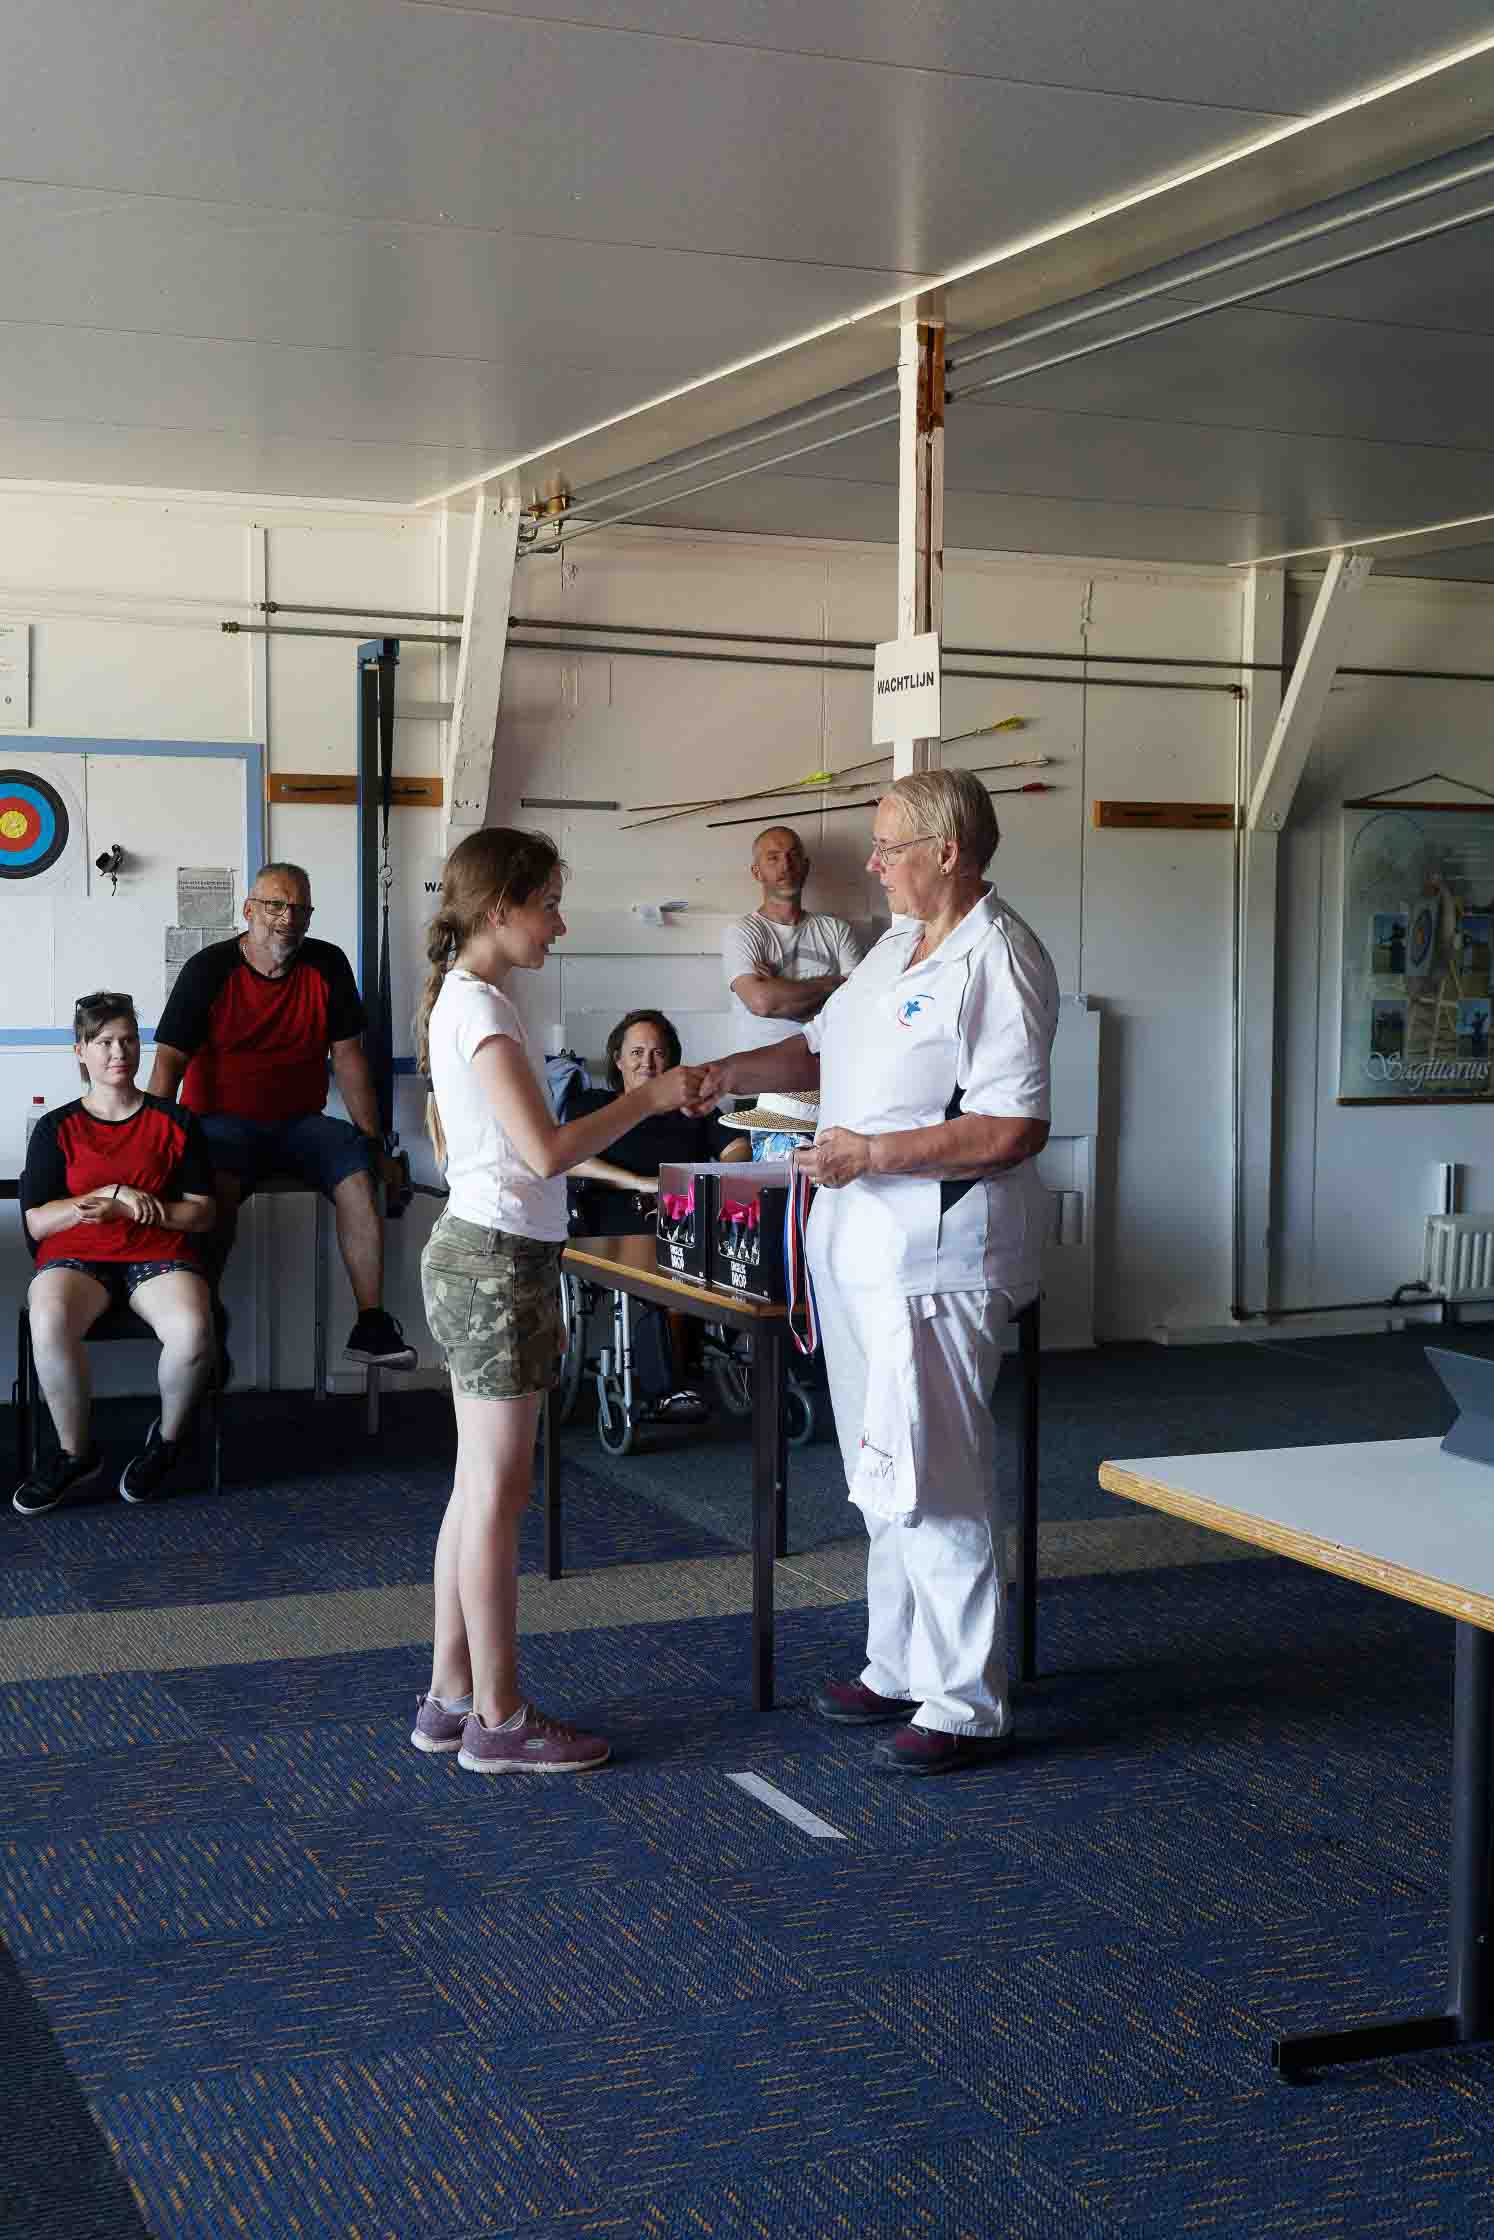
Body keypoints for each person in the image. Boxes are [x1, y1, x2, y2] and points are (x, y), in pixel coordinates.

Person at [691, 769, 1058, 1776]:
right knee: (880, 1465)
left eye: (890, 846)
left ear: (949, 851)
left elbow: (1015, 1126)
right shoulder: (895, 943)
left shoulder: (1002, 957)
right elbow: (818, 1050)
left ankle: (966, 1698)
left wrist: (875, 1154)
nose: (873, 861)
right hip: (857, 1245)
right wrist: (725, 1075)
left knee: (937, 1472)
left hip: (938, 1251)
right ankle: (896, 1662)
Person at [412, 828, 702, 1775]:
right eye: (548, 906)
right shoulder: (482, 1009)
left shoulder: (474, 999)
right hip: (495, 1264)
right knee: (496, 1499)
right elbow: (545, 1152)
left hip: (490, 1256)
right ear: (500, 908)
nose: (559, 925)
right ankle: (498, 1719)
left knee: (476, 1492)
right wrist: (649, 1098)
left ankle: (451, 1698)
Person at [148, 861, 416, 1373]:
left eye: (299, 908)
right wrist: (153, 1148)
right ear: (249, 910)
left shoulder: (327, 964)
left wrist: (373, 1142)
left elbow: (349, 1058)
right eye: (275, 905)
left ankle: (371, 1324)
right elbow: (168, 1064)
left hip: (299, 1123)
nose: (287, 918)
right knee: (216, 1184)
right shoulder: (208, 969)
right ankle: (202, 1324)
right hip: (222, 1122)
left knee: (356, 1169)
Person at [15, 991, 217, 1515]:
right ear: (80, 1051)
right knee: (48, 1317)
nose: (118, 1052)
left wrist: (140, 1210)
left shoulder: (176, 1121)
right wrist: (109, 1193)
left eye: (127, 1040)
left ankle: (166, 1442)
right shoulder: (56, 1127)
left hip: (156, 1253)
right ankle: (76, 1453)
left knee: (193, 1331)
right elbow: (37, 1220)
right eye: (104, 1041)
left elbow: (202, 1214)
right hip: (77, 1257)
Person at [565, 1007, 732, 1423]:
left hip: (685, 1215)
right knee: (659, 1263)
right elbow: (569, 1158)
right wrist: (639, 1183)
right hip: (613, 1223)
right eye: (637, 1053)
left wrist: (699, 1186)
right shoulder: (594, 1106)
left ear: (671, 1061)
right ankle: (668, 1388)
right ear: (618, 1060)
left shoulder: (693, 1111)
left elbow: (736, 1149)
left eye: (658, 1053)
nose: (647, 1063)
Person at [721, 824, 864, 1050]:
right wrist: (835, 983)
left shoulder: (837, 930)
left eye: (793, 856)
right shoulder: (742, 932)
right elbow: (763, 1003)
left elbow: (856, 1004)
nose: (786, 866)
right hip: (761, 1068)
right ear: (757, 872)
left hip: (827, 1063)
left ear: (805, 867)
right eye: (773, 858)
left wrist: (779, 988)